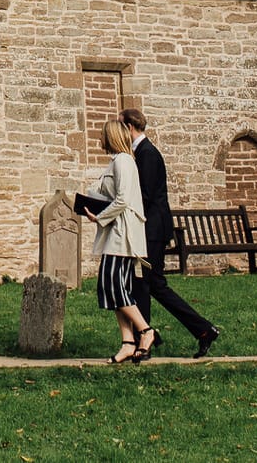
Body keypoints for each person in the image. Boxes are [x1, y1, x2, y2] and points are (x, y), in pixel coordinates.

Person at [121, 106, 221, 358]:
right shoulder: (139, 153)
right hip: (148, 229)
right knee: (147, 284)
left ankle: (148, 337)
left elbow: (144, 195)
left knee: (146, 283)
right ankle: (194, 331)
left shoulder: (147, 154)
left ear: (129, 127)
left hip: (152, 230)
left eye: (120, 126)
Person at [82, 119, 157, 364]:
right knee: (114, 290)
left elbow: (123, 199)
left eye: (102, 135)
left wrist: (100, 216)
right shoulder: (118, 162)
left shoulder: (124, 161)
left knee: (113, 286)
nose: (99, 140)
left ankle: (145, 332)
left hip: (122, 236)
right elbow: (109, 193)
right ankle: (127, 342)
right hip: (115, 234)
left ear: (111, 136)